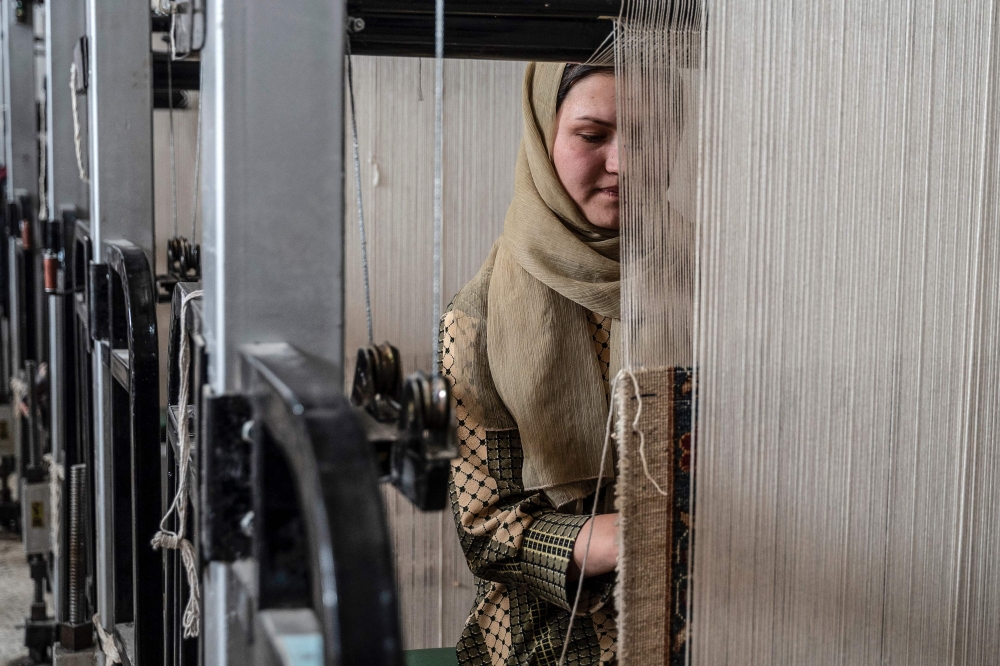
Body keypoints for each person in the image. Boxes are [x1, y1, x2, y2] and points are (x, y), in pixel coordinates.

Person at [442, 62, 621, 666]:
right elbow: (484, 529)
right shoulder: (479, 319)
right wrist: (610, 539)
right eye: (593, 137)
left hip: (725, 610)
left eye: (650, 137)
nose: (624, 163)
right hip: (551, 638)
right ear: (543, 138)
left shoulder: (720, 296)